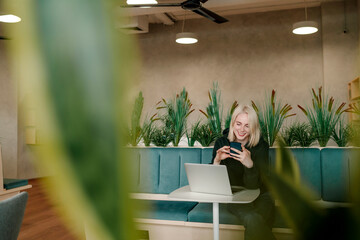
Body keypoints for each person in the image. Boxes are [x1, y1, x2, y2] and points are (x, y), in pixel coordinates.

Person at [212, 104, 276, 240]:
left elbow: (254, 187)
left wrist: (249, 165)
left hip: (262, 194)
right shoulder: (221, 143)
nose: (241, 129)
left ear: (253, 127)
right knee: (253, 219)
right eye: (238, 124)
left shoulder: (261, 146)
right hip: (235, 196)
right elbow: (214, 184)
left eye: (247, 125)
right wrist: (217, 160)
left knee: (255, 220)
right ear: (233, 123)